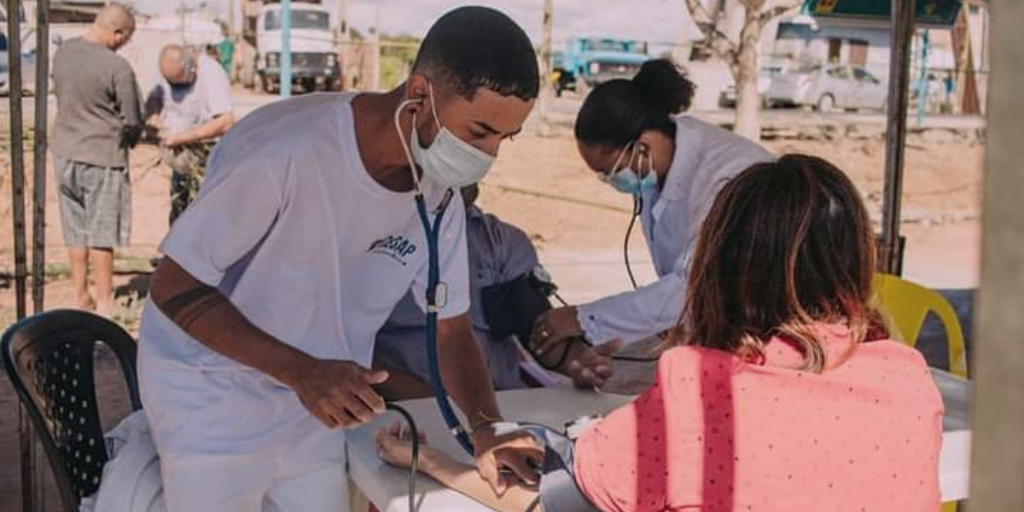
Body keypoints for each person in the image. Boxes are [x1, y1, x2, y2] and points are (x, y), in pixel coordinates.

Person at [138, 7, 572, 511]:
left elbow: (451, 330)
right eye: (479, 133)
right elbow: (174, 286)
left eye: (504, 139)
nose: (490, 156)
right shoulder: (289, 151)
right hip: (212, 400)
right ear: (418, 94)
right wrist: (303, 372)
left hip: (314, 408)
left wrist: (487, 428)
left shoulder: (439, 196)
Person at [377, 154, 945, 512]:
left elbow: (542, 501)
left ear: (716, 266)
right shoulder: (907, 378)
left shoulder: (701, 395)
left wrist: (425, 461)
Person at [532, 59, 774, 363]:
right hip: (717, 325)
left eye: (610, 172)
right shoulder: (654, 174)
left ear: (642, 148)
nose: (610, 181)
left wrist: (581, 319)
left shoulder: (728, 175)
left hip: (767, 325)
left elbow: (693, 286)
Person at [374, 185, 618, 397]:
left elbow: (537, 333)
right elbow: (352, 363)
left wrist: (577, 360)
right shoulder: (372, 246)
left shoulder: (501, 241)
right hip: (407, 408)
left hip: (502, 402)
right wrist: (443, 404)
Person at [51, 3, 142, 316]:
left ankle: (81, 295)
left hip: (64, 152)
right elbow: (131, 119)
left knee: (75, 231)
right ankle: (105, 303)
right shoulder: (117, 67)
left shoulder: (63, 53)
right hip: (102, 156)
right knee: (102, 233)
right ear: (117, 33)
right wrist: (134, 137)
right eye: (126, 38)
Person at [144, 44, 235, 225]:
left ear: (192, 67)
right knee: (179, 209)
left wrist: (183, 137)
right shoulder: (166, 70)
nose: (176, 88)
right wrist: (154, 119)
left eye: (180, 82)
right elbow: (154, 100)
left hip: (205, 154)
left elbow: (226, 121)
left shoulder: (211, 73)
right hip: (180, 156)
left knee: (201, 213)